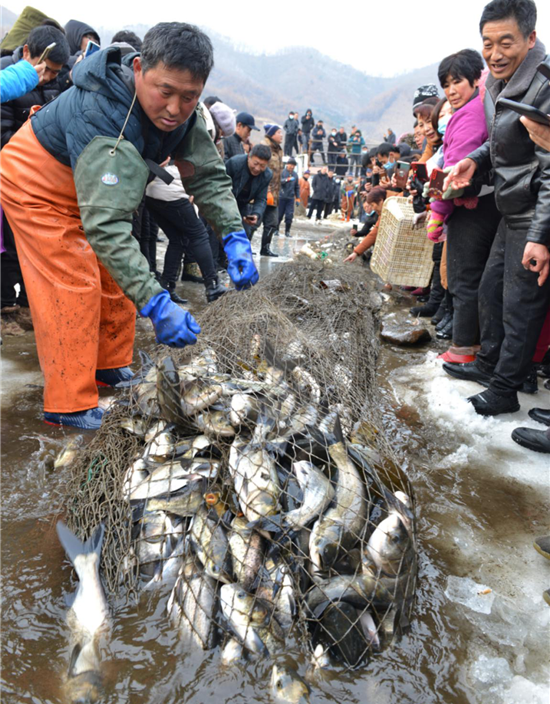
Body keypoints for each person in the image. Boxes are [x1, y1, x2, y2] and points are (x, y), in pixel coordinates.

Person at [0, 22, 257, 430]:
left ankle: (110, 366)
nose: (174, 108)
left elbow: (206, 175)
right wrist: (156, 304)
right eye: (165, 91)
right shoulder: (105, 113)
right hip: (37, 186)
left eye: (189, 97)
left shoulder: (183, 118)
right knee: (74, 282)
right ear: (139, 68)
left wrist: (233, 233)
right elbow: (104, 227)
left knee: (118, 278)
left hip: (94, 189)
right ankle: (68, 405)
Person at [443, 0, 550, 416]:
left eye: (506, 42)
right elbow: (502, 139)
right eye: (488, 43)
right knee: (491, 292)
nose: (495, 53)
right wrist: (477, 160)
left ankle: (506, 389)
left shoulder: (543, 85)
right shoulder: (496, 83)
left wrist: (541, 235)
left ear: (531, 38)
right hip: (513, 205)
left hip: (536, 211)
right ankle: (494, 367)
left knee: (521, 305)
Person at [430, 49, 501, 365]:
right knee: (468, 277)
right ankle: (467, 345)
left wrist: (437, 211)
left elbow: (455, 174)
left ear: (475, 79)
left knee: (464, 276)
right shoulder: (475, 109)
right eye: (446, 85)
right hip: (480, 202)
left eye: (457, 81)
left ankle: (463, 349)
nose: (451, 91)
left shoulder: (470, 115)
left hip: (473, 205)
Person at [1, 26, 70, 312]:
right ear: (27, 52)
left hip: (44, 178)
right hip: (13, 171)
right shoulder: (8, 74)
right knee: (8, 242)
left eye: (56, 72)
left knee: (39, 245)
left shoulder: (58, 85)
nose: (49, 76)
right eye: (46, 69)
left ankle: (31, 304)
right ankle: (5, 304)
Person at [226, 144, 273, 239]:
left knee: (245, 233)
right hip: (224, 202)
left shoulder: (267, 175)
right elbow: (220, 187)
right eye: (255, 164)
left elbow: (261, 199)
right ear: (249, 157)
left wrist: (256, 214)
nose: (257, 169)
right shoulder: (234, 163)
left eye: (262, 166)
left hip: (242, 205)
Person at [343, 187, 387, 261]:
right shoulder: (377, 215)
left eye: (371, 205)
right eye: (365, 208)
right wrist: (356, 234)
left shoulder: (391, 205)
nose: (371, 208)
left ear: (381, 201)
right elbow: (370, 233)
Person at [260, 123, 284, 256]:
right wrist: (267, 190)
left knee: (272, 223)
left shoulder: (279, 150)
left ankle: (265, 248)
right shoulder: (264, 147)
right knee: (253, 222)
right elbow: (260, 170)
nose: (281, 135)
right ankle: (244, 250)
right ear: (272, 133)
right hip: (262, 192)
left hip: (274, 194)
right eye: (279, 132)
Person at [278, 157, 300, 237]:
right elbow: (279, 182)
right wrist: (287, 179)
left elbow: (297, 187)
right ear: (287, 165)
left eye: (293, 165)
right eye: (291, 165)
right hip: (281, 197)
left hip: (290, 198)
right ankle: (276, 230)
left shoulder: (295, 175)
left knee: (289, 215)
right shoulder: (282, 173)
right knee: (279, 215)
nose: (292, 167)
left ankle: (287, 231)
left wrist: (298, 197)